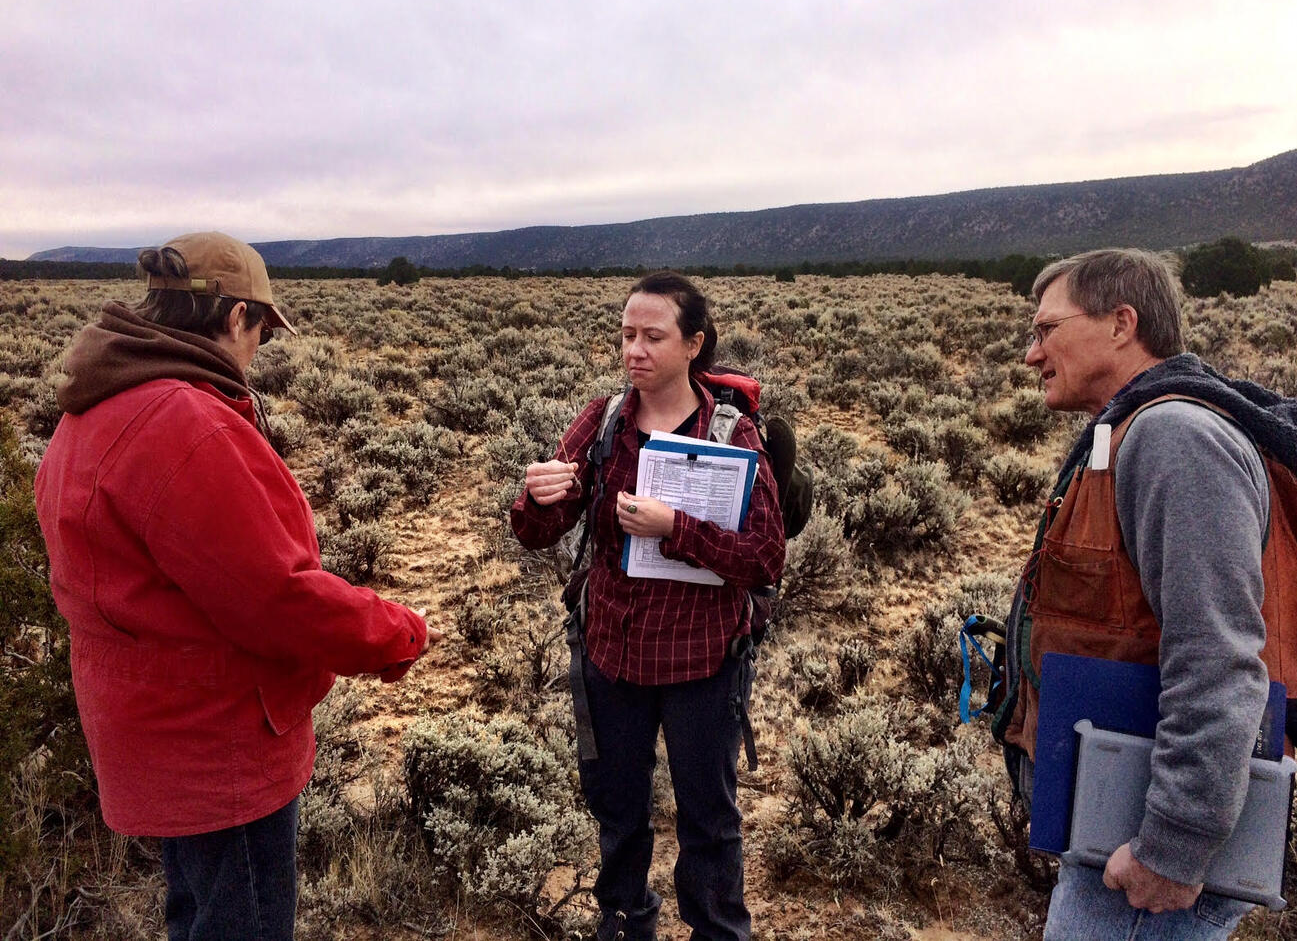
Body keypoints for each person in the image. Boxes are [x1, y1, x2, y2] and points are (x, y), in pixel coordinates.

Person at [34, 231, 444, 941]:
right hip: (219, 743)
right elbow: (275, 596)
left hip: (151, 733)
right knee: (242, 920)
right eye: (261, 328)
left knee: (199, 914)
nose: (260, 349)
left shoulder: (92, 405)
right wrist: (395, 632)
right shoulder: (182, 422)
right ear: (233, 317)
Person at [992, 248, 1297, 939]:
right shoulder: (1137, 429)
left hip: (1148, 856)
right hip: (1120, 816)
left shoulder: (1176, 438)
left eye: (1045, 330)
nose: (1032, 355)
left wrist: (1173, 849)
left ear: (1122, 324)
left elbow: (1218, 659)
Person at [510, 271, 785, 941]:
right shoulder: (602, 422)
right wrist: (537, 500)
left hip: (702, 661)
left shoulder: (731, 435)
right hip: (611, 654)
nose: (635, 349)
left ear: (694, 344)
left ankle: (718, 929)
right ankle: (626, 918)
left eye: (653, 336)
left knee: (709, 823)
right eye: (628, 334)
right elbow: (537, 534)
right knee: (618, 809)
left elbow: (765, 556)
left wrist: (676, 529)